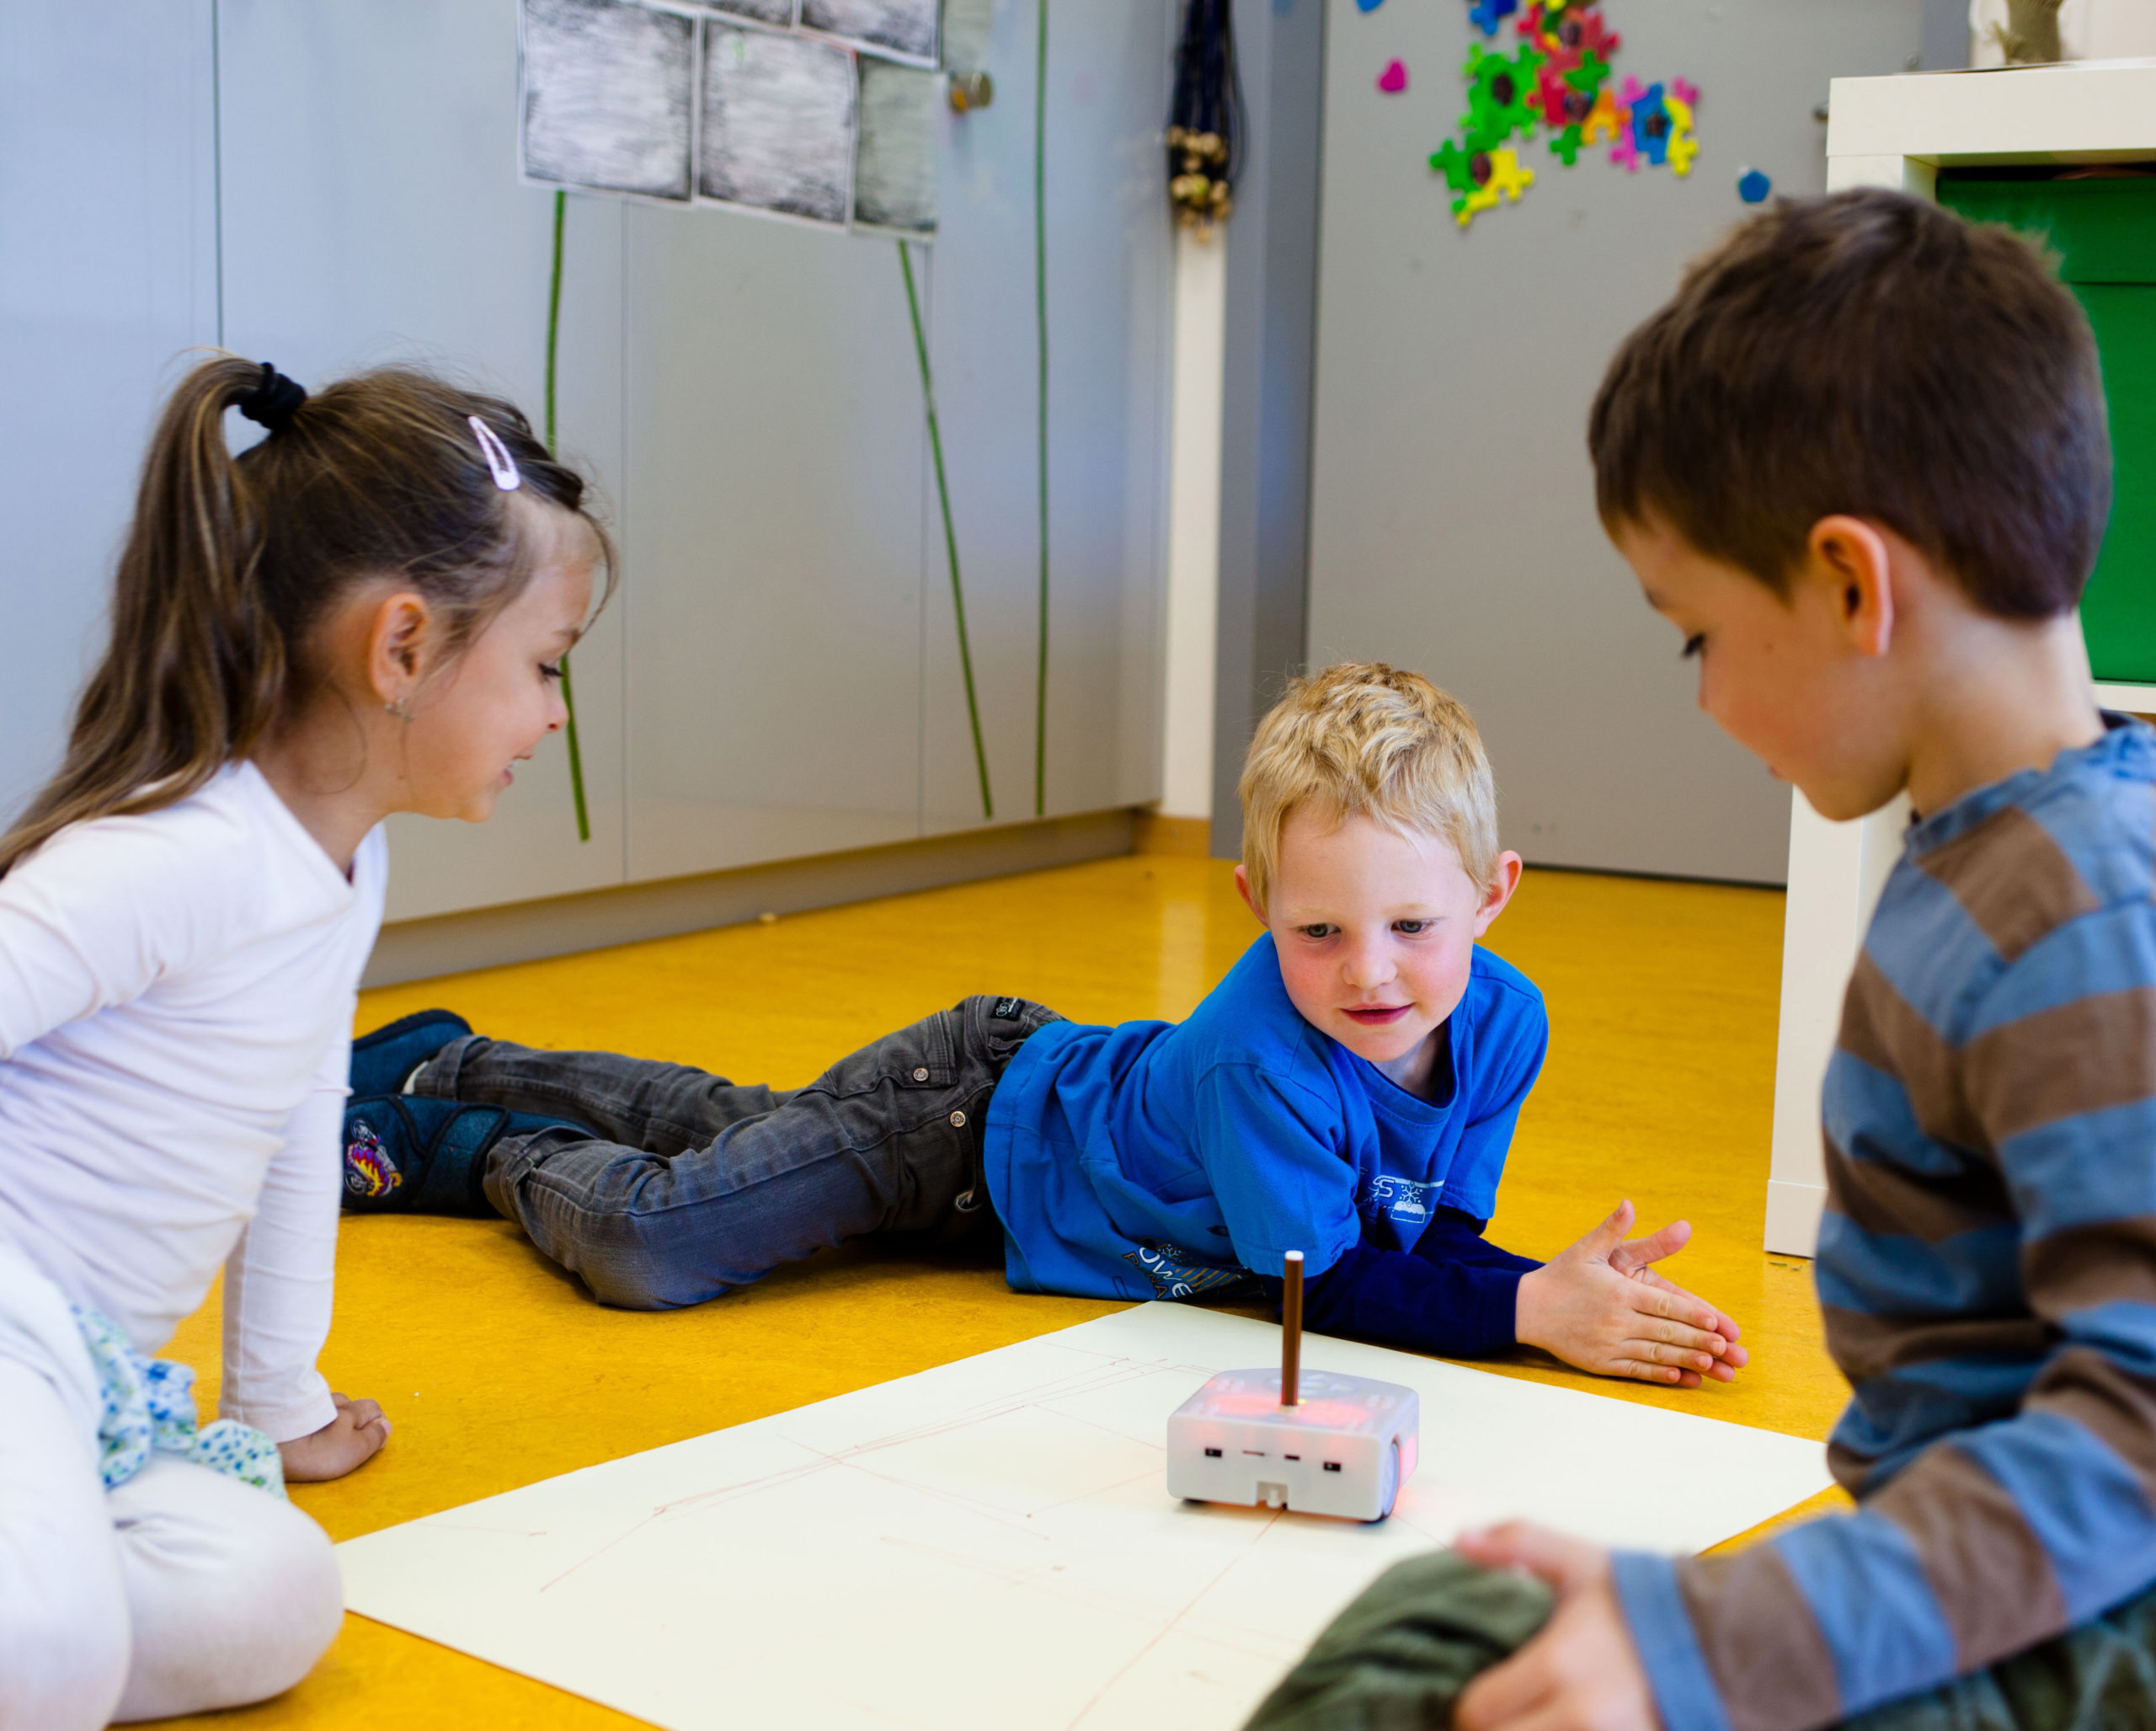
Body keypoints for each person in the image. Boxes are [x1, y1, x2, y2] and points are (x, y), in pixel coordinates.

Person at [1251, 188, 2156, 1731]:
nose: (1704, 699)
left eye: (1698, 637)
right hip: (2001, 1571)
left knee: (1437, 1659)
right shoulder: (2012, 857)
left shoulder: (2078, 918)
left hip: (2097, 1638)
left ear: (1854, 586)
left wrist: (1734, 1633)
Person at [344, 661, 1747, 1388]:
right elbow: (1328, 1286)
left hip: (1021, 1179)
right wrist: (1529, 1312)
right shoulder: (1265, 1050)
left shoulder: (1506, 1026)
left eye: (1413, 929)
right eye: (1318, 930)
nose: (1370, 974)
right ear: (1255, 902)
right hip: (962, 1121)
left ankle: (454, 1049)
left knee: (734, 1124)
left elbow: (1419, 1234)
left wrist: (1559, 1296)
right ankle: (466, 1138)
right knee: (659, 1239)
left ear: (1494, 898)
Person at [0, 355, 611, 1729]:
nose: (555, 716)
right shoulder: (176, 858)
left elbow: (294, 1121)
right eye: (544, 667)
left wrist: (273, 1399)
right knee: (45, 1649)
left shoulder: (339, 866)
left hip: (76, 1373)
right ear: (402, 648)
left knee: (274, 1595)